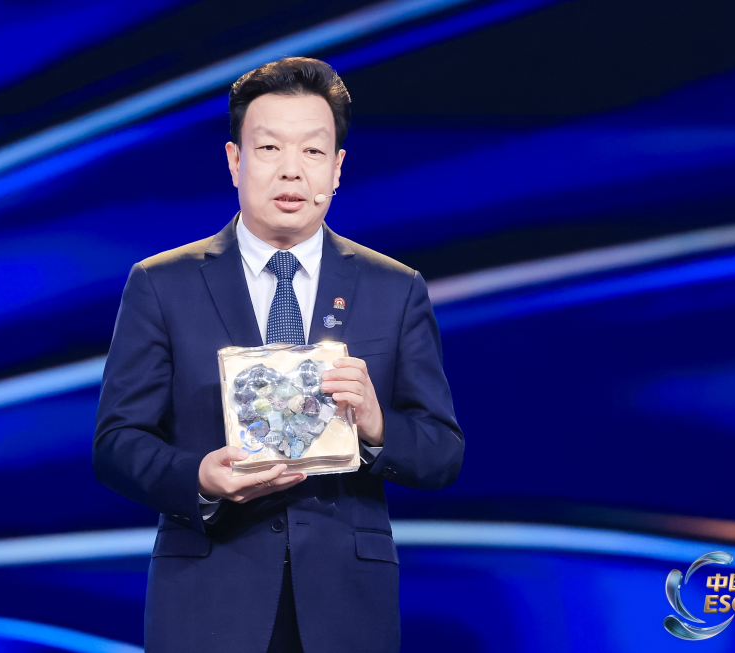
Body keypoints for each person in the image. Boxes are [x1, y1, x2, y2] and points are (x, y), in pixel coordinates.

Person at [93, 57, 463, 653]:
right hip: (209, 599)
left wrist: (375, 425)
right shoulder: (162, 284)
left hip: (347, 607)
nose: (291, 169)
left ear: (336, 168)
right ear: (235, 160)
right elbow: (116, 443)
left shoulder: (394, 288)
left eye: (313, 151)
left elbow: (442, 452)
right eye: (269, 148)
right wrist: (201, 479)